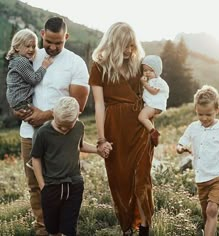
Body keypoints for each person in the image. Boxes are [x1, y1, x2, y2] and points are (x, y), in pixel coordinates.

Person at [14, 16, 90, 236]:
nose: (54, 47)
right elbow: (15, 87)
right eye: (50, 42)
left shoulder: (75, 63)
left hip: (61, 137)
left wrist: (45, 116)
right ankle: (43, 229)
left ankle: (59, 230)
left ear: (66, 37)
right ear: (42, 34)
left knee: (58, 186)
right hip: (29, 133)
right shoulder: (29, 57)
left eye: (59, 42)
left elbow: (79, 105)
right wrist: (22, 110)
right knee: (35, 187)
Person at [89, 22, 154, 236]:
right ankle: (126, 228)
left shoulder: (140, 65)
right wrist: (101, 139)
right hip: (115, 130)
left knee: (141, 180)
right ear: (113, 43)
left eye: (132, 46)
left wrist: (152, 122)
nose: (128, 51)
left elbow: (156, 94)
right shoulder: (99, 66)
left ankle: (145, 228)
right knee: (119, 181)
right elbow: (99, 104)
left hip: (139, 129)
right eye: (125, 46)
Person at [31, 96, 104, 236]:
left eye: (68, 125)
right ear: (53, 113)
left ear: (78, 115)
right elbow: (36, 159)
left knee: (69, 228)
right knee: (52, 228)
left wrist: (97, 150)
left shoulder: (79, 126)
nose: (64, 129)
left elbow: (80, 145)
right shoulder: (43, 133)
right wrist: (43, 186)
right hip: (51, 186)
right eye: (60, 125)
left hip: (74, 184)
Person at [176, 85, 219, 236]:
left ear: (217, 110)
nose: (204, 118)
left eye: (208, 114)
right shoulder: (193, 127)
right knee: (207, 214)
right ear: (196, 110)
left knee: (212, 210)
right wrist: (180, 147)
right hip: (201, 179)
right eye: (200, 114)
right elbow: (182, 141)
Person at [5, 28, 53, 111]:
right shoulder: (21, 61)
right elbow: (34, 79)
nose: (31, 49)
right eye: (27, 46)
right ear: (17, 47)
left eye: (34, 46)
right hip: (22, 101)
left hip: (16, 101)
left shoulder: (15, 60)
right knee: (41, 117)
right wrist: (44, 66)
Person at [138, 55, 169, 147]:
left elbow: (153, 91)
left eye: (151, 70)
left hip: (155, 105)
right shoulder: (151, 80)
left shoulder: (157, 81)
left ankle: (153, 132)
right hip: (152, 105)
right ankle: (152, 133)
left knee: (142, 117)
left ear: (157, 71)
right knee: (146, 117)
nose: (147, 73)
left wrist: (144, 83)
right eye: (145, 70)